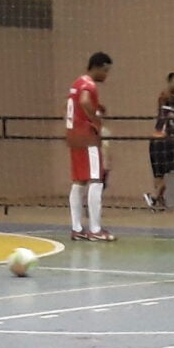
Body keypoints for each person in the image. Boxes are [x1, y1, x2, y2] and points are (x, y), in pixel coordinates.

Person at [65, 50, 115, 241]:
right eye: (106, 70)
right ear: (99, 67)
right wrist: (95, 122)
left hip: (73, 136)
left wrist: (97, 107)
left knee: (78, 182)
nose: (107, 75)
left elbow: (74, 104)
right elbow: (85, 101)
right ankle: (95, 230)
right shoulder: (89, 85)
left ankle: (77, 228)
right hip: (87, 138)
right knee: (96, 180)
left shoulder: (77, 83)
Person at [147, 71, 174, 210]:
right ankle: (156, 198)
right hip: (160, 140)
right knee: (160, 174)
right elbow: (168, 92)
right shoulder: (164, 98)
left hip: (173, 142)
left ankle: (154, 197)